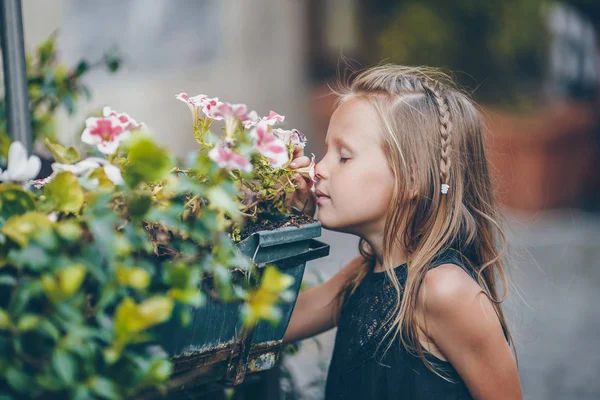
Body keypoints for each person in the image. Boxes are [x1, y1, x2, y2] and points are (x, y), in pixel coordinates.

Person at [284, 65, 523, 399]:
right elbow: (276, 325)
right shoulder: (364, 274)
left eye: (344, 156)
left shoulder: (444, 291)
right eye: (326, 152)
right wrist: (289, 217)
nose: (318, 168)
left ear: (411, 179)